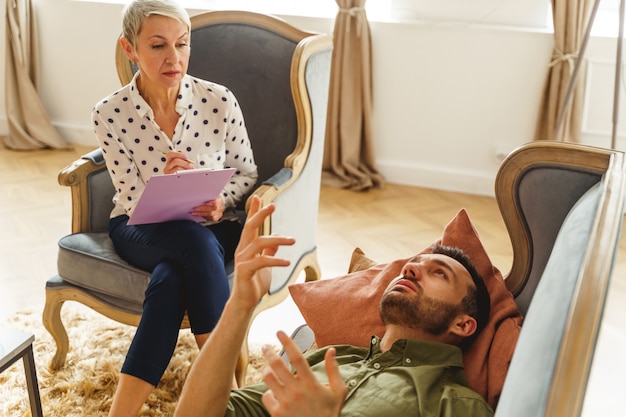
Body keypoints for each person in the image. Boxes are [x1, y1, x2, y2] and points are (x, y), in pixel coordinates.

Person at [173, 196, 494, 417]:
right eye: (413, 264)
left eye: (439, 273)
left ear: (463, 324)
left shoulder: (456, 403)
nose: (411, 269)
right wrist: (240, 303)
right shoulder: (331, 357)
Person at [91, 1, 257, 416]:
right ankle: (230, 396)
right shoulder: (109, 113)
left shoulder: (219, 100)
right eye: (158, 45)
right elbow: (129, 196)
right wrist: (165, 186)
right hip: (139, 225)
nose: (174, 58)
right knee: (194, 246)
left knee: (170, 281)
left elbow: (246, 173)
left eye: (182, 44)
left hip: (211, 224)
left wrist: (220, 201)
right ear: (130, 49)